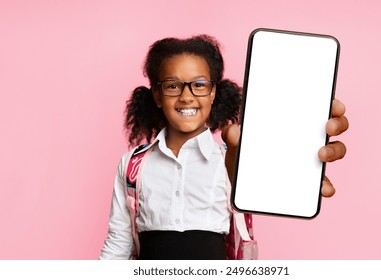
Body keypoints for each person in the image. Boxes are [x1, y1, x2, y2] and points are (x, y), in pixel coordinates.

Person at [99, 35, 348, 260]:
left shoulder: (233, 161)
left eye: (199, 84)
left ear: (213, 93)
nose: (187, 96)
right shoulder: (133, 165)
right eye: (173, 86)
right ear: (157, 95)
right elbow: (118, 245)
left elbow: (275, 186)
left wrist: (297, 158)